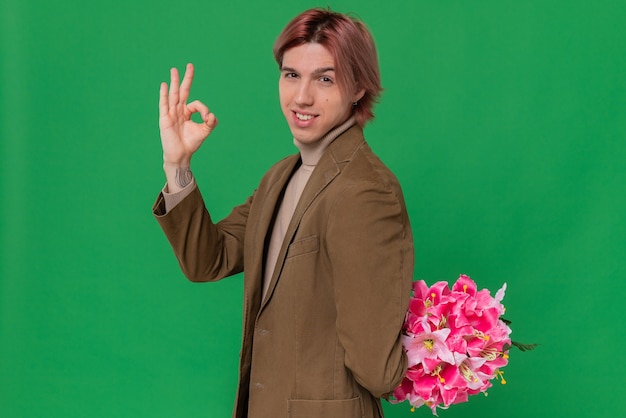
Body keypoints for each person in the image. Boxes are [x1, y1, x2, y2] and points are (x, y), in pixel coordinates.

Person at [153, 8, 414, 418]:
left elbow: (378, 372)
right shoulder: (281, 176)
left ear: (359, 87)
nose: (301, 97)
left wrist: (443, 354)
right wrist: (177, 166)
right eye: (291, 74)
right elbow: (209, 260)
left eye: (325, 78)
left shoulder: (366, 192)